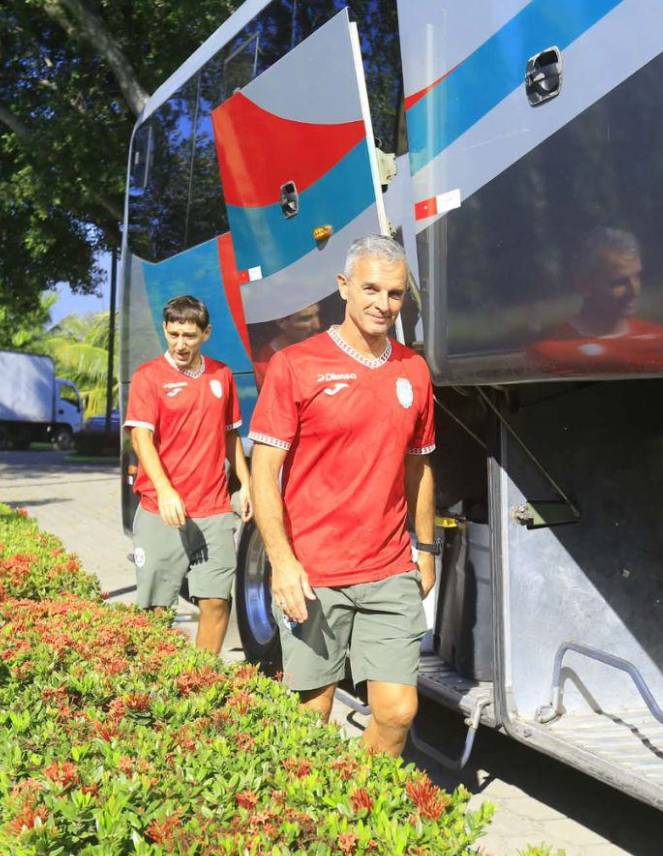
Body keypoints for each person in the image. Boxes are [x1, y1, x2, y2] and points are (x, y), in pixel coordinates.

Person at [249, 234, 438, 756]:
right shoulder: (296, 364)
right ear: (344, 288)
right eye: (371, 289)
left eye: (395, 293)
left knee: (398, 713)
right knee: (311, 718)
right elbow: (265, 471)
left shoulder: (414, 370)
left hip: (388, 567)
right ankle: (310, 826)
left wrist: (425, 550)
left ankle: (359, 813)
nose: (383, 304)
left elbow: (419, 467)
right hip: (315, 574)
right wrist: (282, 564)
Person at [124, 295, 252, 653]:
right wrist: (165, 491)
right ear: (165, 329)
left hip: (212, 511)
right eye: (175, 333)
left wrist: (246, 482)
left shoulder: (221, 375)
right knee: (154, 610)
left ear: (206, 334)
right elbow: (140, 438)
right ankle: (154, 684)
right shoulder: (148, 377)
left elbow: (230, 434)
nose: (181, 344)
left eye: (190, 336)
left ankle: (202, 684)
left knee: (215, 602)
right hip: (159, 510)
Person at [529, 226, 663, 373]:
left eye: (637, 277)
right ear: (584, 285)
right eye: (619, 282)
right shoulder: (553, 350)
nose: (634, 290)